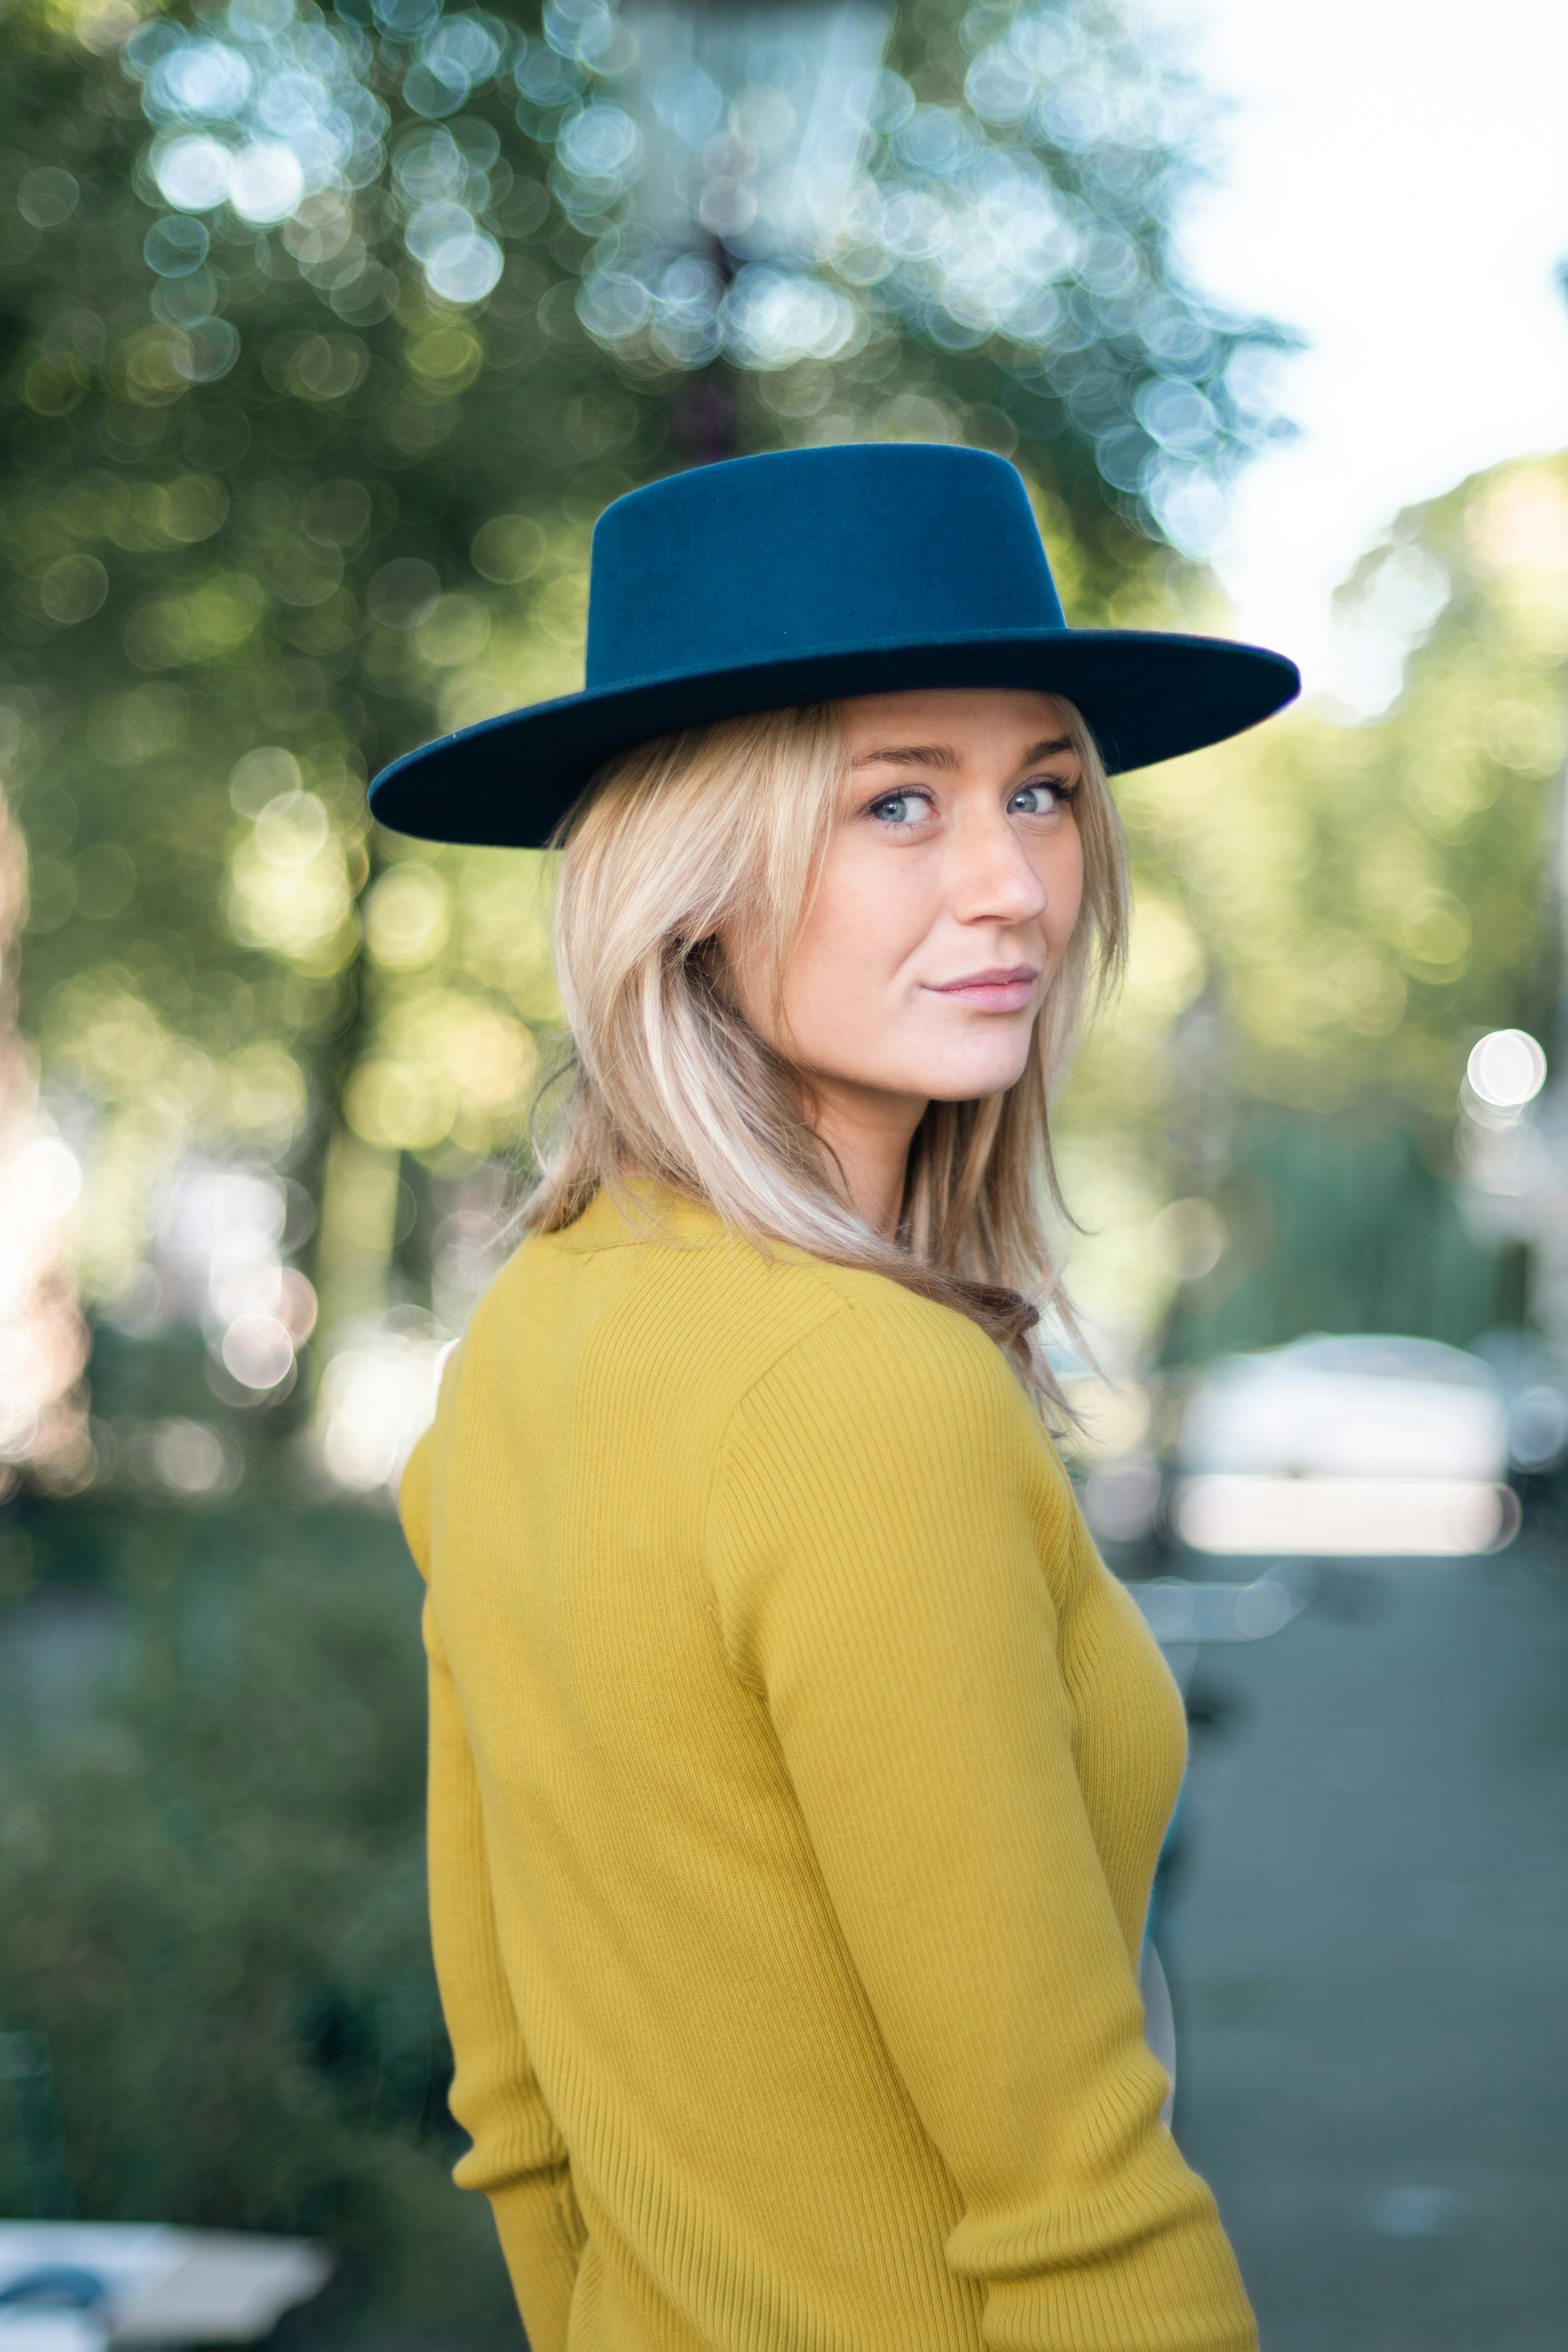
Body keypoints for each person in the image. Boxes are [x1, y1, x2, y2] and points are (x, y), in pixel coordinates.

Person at [378, 444, 1298, 2352]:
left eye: (1042, 789)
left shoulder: (520, 1348)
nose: (1016, 884)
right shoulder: (864, 1394)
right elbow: (1076, 2201)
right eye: (899, 801)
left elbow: (519, 2113)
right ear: (694, 875)